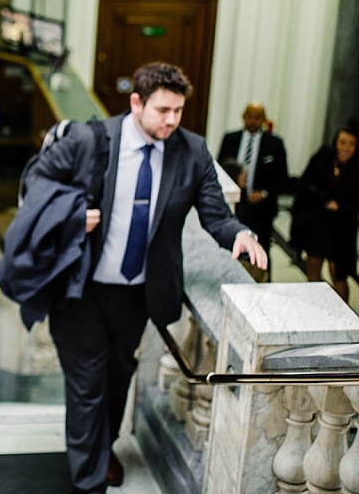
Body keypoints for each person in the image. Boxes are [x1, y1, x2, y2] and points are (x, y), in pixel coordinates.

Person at [26, 62, 267, 494]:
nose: (171, 120)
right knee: (87, 387)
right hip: (80, 289)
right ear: (136, 102)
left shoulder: (191, 151)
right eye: (162, 110)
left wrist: (240, 235)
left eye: (178, 110)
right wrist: (71, 215)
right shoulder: (92, 139)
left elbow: (215, 212)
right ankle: (90, 482)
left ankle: (102, 451)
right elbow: (36, 182)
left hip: (136, 296)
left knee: (117, 381)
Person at [291, 123, 359, 302]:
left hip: (341, 230)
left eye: (351, 143)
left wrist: (341, 207)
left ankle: (343, 317)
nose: (346, 147)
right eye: (342, 142)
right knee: (313, 268)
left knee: (338, 275)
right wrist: (323, 199)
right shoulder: (323, 158)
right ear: (336, 142)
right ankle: (314, 307)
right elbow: (303, 184)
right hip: (317, 225)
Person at [218, 101, 288, 256]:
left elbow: (282, 179)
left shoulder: (274, 144)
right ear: (243, 117)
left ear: (264, 119)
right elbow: (220, 170)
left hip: (261, 210)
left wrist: (264, 193)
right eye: (249, 116)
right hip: (233, 207)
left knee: (260, 251)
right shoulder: (230, 139)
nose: (253, 121)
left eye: (257, 117)